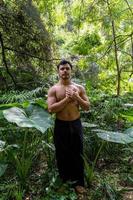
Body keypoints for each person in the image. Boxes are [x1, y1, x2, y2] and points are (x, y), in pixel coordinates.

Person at [47, 60, 90, 194]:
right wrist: (66, 99)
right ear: (58, 71)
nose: (65, 71)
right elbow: (51, 109)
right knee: (62, 154)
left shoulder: (79, 88)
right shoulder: (54, 89)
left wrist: (76, 97)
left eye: (67, 68)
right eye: (62, 69)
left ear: (71, 71)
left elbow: (87, 107)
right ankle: (64, 182)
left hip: (76, 123)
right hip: (61, 125)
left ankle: (79, 183)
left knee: (78, 153)